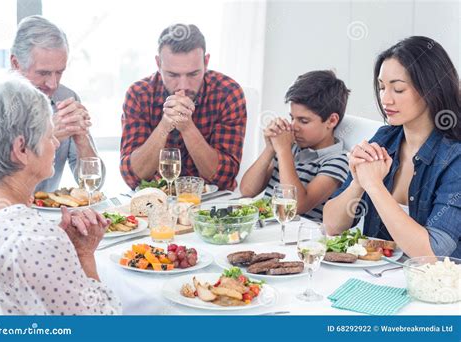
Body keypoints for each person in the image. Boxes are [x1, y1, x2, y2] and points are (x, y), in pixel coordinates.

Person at [0, 70, 121, 315]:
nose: (57, 143)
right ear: (22, 149)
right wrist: (84, 255)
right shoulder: (40, 239)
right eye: (50, 135)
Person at [323, 36, 461, 258]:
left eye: (398, 89)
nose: (385, 99)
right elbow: (331, 226)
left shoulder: (455, 157)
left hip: (436, 287)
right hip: (376, 278)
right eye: (381, 87)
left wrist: (374, 186)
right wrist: (358, 182)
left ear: (431, 89)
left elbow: (432, 253)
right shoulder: (384, 139)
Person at [120, 24, 247, 191]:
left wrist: (187, 128)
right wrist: (165, 126)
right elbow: (133, 177)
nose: (183, 85)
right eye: (172, 74)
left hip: (213, 205)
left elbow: (223, 177)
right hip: (158, 202)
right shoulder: (138, 94)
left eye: (193, 74)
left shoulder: (228, 93)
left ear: (206, 62)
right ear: (158, 64)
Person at [10, 15, 105, 192]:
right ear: (16, 64)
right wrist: (46, 136)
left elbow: (94, 186)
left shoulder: (66, 97)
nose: (53, 84)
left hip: (47, 216)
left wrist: (81, 137)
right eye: (43, 73)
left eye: (59, 72)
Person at [240, 71, 350, 221]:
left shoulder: (339, 161)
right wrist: (270, 148)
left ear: (331, 121)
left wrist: (284, 151)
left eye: (303, 121)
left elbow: (296, 207)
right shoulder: (291, 146)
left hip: (299, 236)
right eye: (292, 118)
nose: (293, 126)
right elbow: (247, 190)